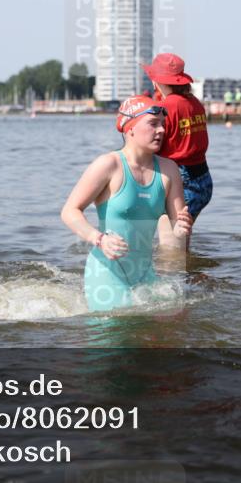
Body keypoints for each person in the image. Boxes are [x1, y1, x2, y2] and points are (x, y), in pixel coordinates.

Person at [61, 95, 193, 312]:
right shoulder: (109, 165)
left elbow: (176, 224)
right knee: (117, 329)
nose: (161, 130)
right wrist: (99, 239)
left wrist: (180, 230)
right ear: (130, 128)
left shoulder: (169, 169)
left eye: (162, 124)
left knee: (166, 325)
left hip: (144, 272)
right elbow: (69, 211)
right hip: (107, 270)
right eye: (153, 124)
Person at [142, 53, 211, 249]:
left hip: (180, 181)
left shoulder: (164, 108)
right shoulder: (194, 102)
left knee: (171, 246)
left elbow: (152, 145)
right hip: (203, 180)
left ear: (157, 81)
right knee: (182, 239)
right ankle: (190, 267)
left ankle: (176, 268)